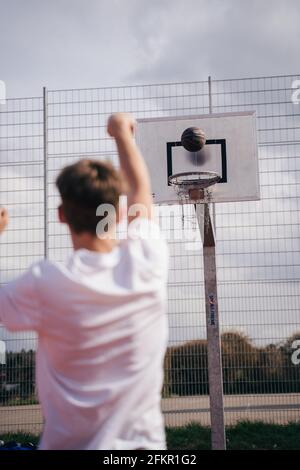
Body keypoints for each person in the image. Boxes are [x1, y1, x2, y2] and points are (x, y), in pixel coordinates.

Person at [0, 113, 169, 450]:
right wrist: (122, 134)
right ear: (118, 214)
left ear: (62, 215)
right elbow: (140, 194)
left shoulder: (43, 284)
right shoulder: (147, 260)